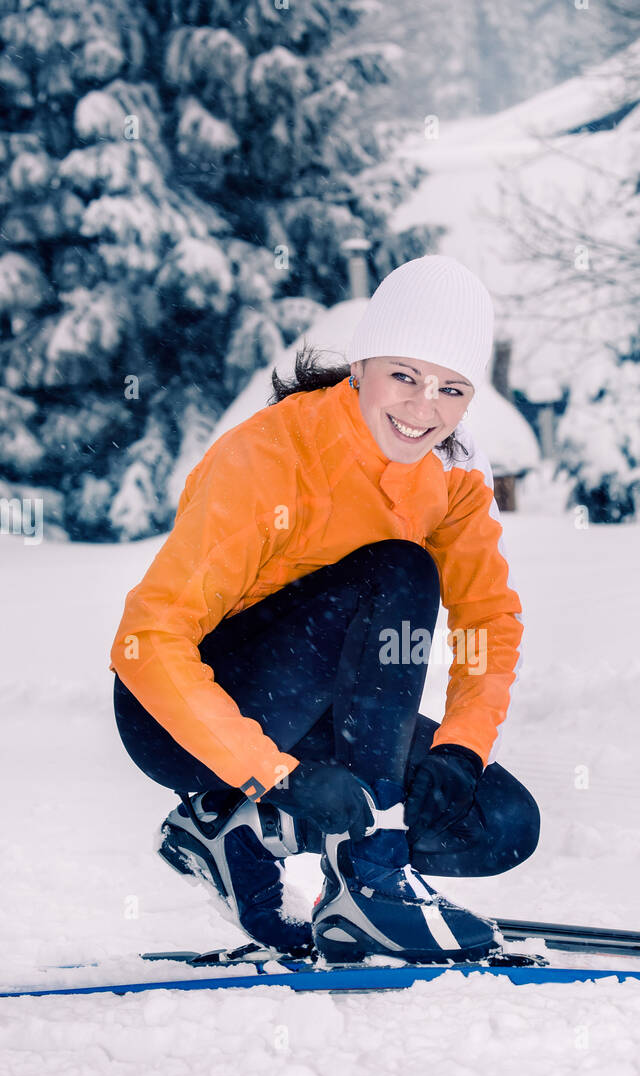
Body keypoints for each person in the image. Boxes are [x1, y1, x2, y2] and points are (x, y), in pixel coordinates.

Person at [110, 254, 540, 964]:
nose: (421, 408)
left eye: (450, 389)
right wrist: (274, 772)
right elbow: (147, 640)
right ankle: (370, 878)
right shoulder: (272, 456)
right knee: (398, 570)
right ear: (362, 366)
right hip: (177, 714)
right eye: (403, 375)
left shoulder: (454, 473)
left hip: (307, 714)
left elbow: (488, 620)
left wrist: (463, 749)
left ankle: (234, 830)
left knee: (498, 820)